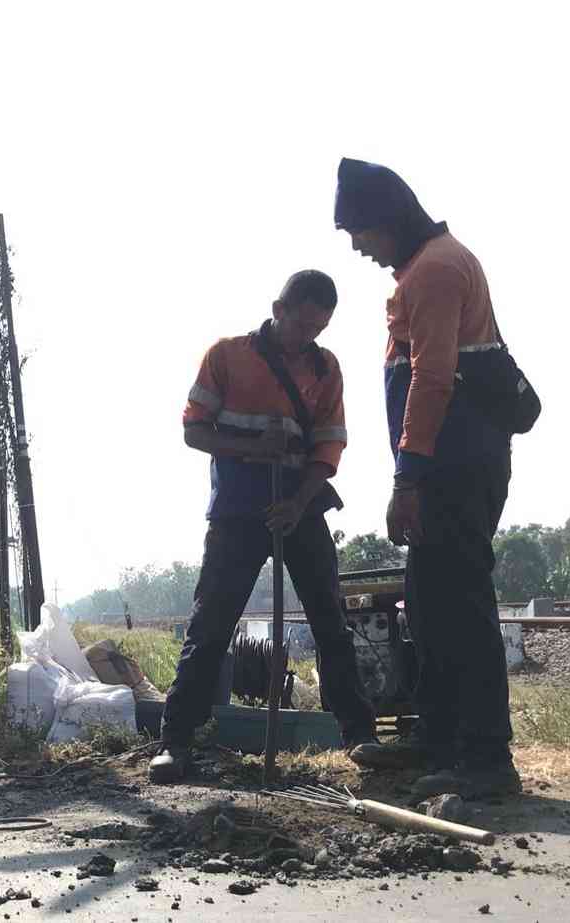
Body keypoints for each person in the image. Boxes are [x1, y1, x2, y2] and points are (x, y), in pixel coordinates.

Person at [334, 158, 519, 799]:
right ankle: (438, 740)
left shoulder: (436, 270)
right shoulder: (425, 266)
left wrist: (408, 478)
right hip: (447, 461)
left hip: (453, 466)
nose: (358, 248)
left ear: (387, 220)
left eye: (359, 233)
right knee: (432, 605)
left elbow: (433, 377)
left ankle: (486, 758)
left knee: (459, 604)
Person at [149, 270, 376, 784]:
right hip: (237, 505)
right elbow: (193, 430)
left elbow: (328, 446)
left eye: (319, 329)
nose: (307, 338)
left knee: (330, 621)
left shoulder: (325, 367)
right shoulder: (227, 355)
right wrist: (254, 449)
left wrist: (298, 503)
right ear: (278, 308)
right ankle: (176, 740)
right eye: (301, 326)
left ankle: (360, 735)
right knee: (211, 625)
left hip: (300, 502)